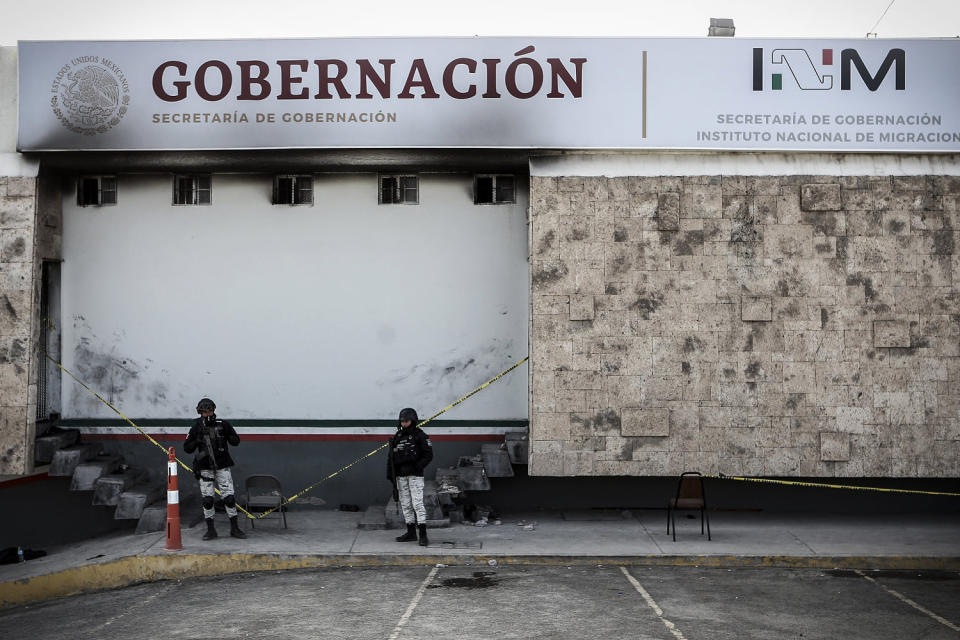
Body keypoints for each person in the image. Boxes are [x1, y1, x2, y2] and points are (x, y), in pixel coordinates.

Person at [183, 397, 246, 540]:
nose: (207, 414)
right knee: (207, 500)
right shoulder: (196, 427)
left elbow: (236, 441)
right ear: (200, 412)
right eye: (204, 412)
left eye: (209, 411)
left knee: (229, 498)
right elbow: (187, 448)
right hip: (205, 467)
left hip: (222, 465)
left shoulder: (222, 424)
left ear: (213, 410)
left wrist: (227, 435)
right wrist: (197, 440)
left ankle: (234, 528)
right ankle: (211, 530)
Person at [386, 407, 434, 546]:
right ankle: (411, 532)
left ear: (412, 420)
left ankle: (423, 535)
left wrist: (417, 467)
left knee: (418, 504)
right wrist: (390, 473)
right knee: (406, 504)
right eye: (402, 421)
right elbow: (391, 457)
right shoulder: (398, 436)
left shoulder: (420, 435)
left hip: (415, 476)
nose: (403, 423)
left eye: (406, 421)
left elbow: (428, 455)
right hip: (400, 476)